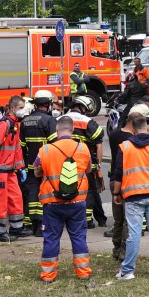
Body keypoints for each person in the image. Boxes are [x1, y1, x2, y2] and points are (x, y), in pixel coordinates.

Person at [34, 115, 93, 282]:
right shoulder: (83, 148)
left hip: (52, 203)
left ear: (56, 130)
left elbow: (37, 171)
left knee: (51, 238)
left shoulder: (45, 150)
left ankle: (48, 275)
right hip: (77, 201)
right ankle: (84, 272)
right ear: (72, 130)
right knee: (78, 237)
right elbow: (88, 169)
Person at [112, 114, 149, 279]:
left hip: (133, 196)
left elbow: (119, 173)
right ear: (147, 127)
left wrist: (117, 193)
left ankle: (127, 271)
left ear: (132, 129)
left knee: (134, 234)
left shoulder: (125, 147)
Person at [107, 106, 147, 261]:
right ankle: (125, 252)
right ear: (134, 123)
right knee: (127, 220)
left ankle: (116, 249)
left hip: (113, 180)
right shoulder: (130, 140)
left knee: (118, 219)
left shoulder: (115, 134)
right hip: (126, 181)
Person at [0, 96, 29, 241]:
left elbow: (17, 148)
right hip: (0, 171)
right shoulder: (4, 125)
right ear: (12, 108)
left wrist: (21, 167)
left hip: (10, 170)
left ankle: (17, 228)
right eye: (20, 108)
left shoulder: (15, 124)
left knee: (16, 198)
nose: (23, 111)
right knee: (1, 201)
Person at [19, 90, 57, 236]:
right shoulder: (49, 120)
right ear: (47, 104)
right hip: (46, 165)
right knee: (44, 193)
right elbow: (54, 144)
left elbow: (22, 145)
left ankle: (29, 224)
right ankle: (41, 225)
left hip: (29, 165)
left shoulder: (25, 121)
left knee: (31, 193)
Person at [68, 99, 108, 230]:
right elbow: (98, 144)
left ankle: (100, 219)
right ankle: (89, 221)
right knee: (90, 191)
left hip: (65, 163)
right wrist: (98, 165)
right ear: (82, 107)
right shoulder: (87, 122)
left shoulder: (60, 119)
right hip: (86, 164)